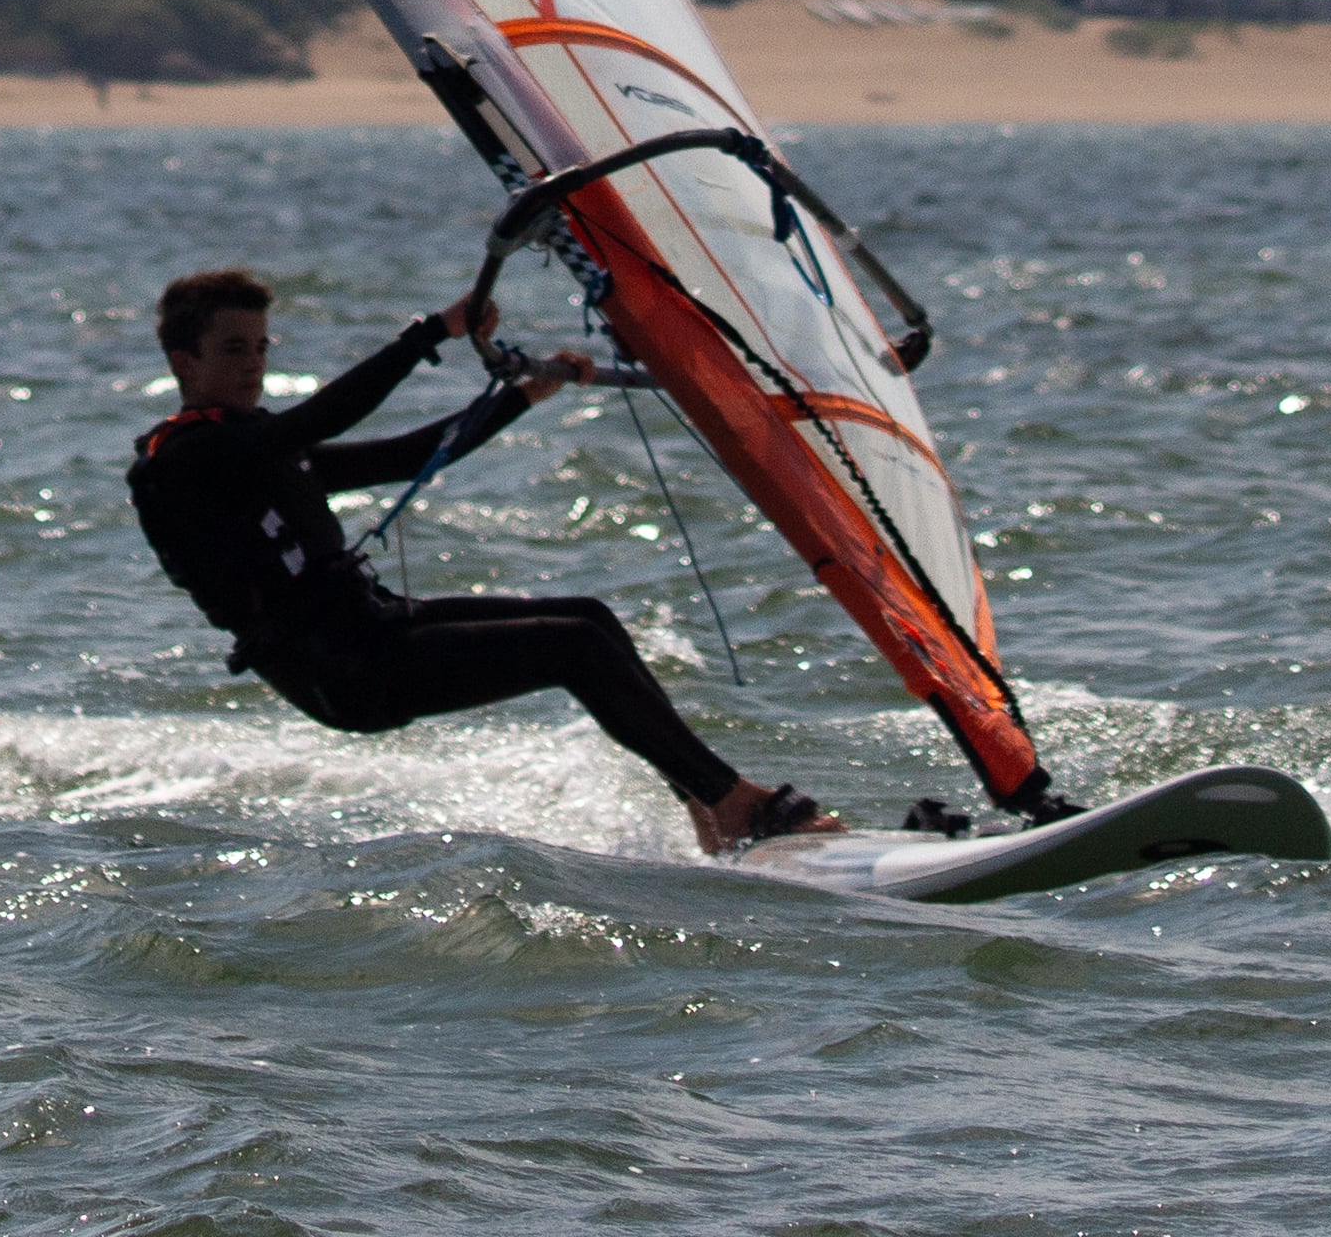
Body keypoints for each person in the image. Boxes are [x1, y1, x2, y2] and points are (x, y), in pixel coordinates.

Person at [126, 263, 834, 855]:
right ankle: (736, 801)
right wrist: (431, 332)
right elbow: (323, 416)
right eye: (232, 349)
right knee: (574, 648)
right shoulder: (189, 457)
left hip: (369, 630)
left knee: (590, 617)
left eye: (260, 346)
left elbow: (408, 455)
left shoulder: (254, 443)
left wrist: (523, 395)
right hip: (338, 671)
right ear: (183, 361)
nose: (253, 364)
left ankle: (708, 807)